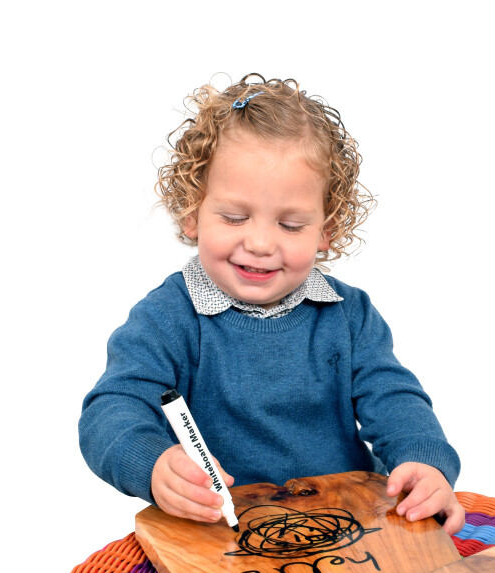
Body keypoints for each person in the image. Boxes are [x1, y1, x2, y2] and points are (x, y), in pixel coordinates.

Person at [79, 74, 464, 534]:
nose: (260, 243)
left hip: (347, 530)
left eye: (291, 225)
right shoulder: (167, 317)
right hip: (218, 539)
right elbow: (112, 408)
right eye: (234, 217)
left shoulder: (349, 315)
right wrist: (153, 463)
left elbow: (395, 400)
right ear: (191, 211)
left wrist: (425, 462)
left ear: (328, 229)